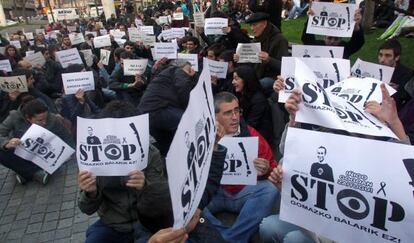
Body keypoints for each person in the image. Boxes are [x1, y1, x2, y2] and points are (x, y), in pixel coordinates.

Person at [260, 83, 410, 243]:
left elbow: (405, 171)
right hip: (313, 214)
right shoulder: (326, 130)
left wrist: (394, 122)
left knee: (294, 239)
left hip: (351, 227)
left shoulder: (377, 143)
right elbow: (287, 150)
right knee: (268, 226)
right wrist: (294, 118)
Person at [203, 92, 279, 243]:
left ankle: (232, 239)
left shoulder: (252, 135)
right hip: (214, 193)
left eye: (237, 110)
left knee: (270, 189)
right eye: (228, 113)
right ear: (215, 116)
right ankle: (222, 235)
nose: (235, 117)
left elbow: (273, 171)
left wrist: (265, 170)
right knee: (189, 206)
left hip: (243, 194)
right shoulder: (202, 137)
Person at [0, 97, 74, 185]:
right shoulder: (14, 116)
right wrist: (6, 143)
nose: (44, 122)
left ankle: (24, 173)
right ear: (28, 118)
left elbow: (66, 136)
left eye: (45, 118)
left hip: (43, 154)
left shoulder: (53, 118)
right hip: (22, 152)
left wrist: (67, 153)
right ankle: (35, 173)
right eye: (40, 120)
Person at [137, 62, 197, 156]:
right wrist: (190, 109)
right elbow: (183, 86)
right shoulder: (177, 70)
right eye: (189, 68)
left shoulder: (167, 74)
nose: (191, 71)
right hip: (158, 110)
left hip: (149, 111)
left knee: (164, 144)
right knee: (190, 121)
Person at [235, 12, 289, 93]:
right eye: (251, 25)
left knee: (256, 85)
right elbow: (250, 63)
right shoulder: (256, 40)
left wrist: (269, 60)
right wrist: (240, 59)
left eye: (254, 25)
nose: (252, 28)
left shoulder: (279, 40)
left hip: (273, 78)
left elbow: (286, 67)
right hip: (257, 75)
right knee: (237, 81)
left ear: (264, 24)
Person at [232, 65, 273, 144]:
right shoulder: (240, 94)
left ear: (246, 80)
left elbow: (251, 125)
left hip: (259, 140)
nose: (233, 82)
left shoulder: (259, 100)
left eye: (236, 79)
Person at [377, 38, 413, 111]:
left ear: (397, 57)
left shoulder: (407, 74)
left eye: (387, 56)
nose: (382, 60)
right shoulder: (373, 69)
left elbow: (402, 98)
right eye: (380, 55)